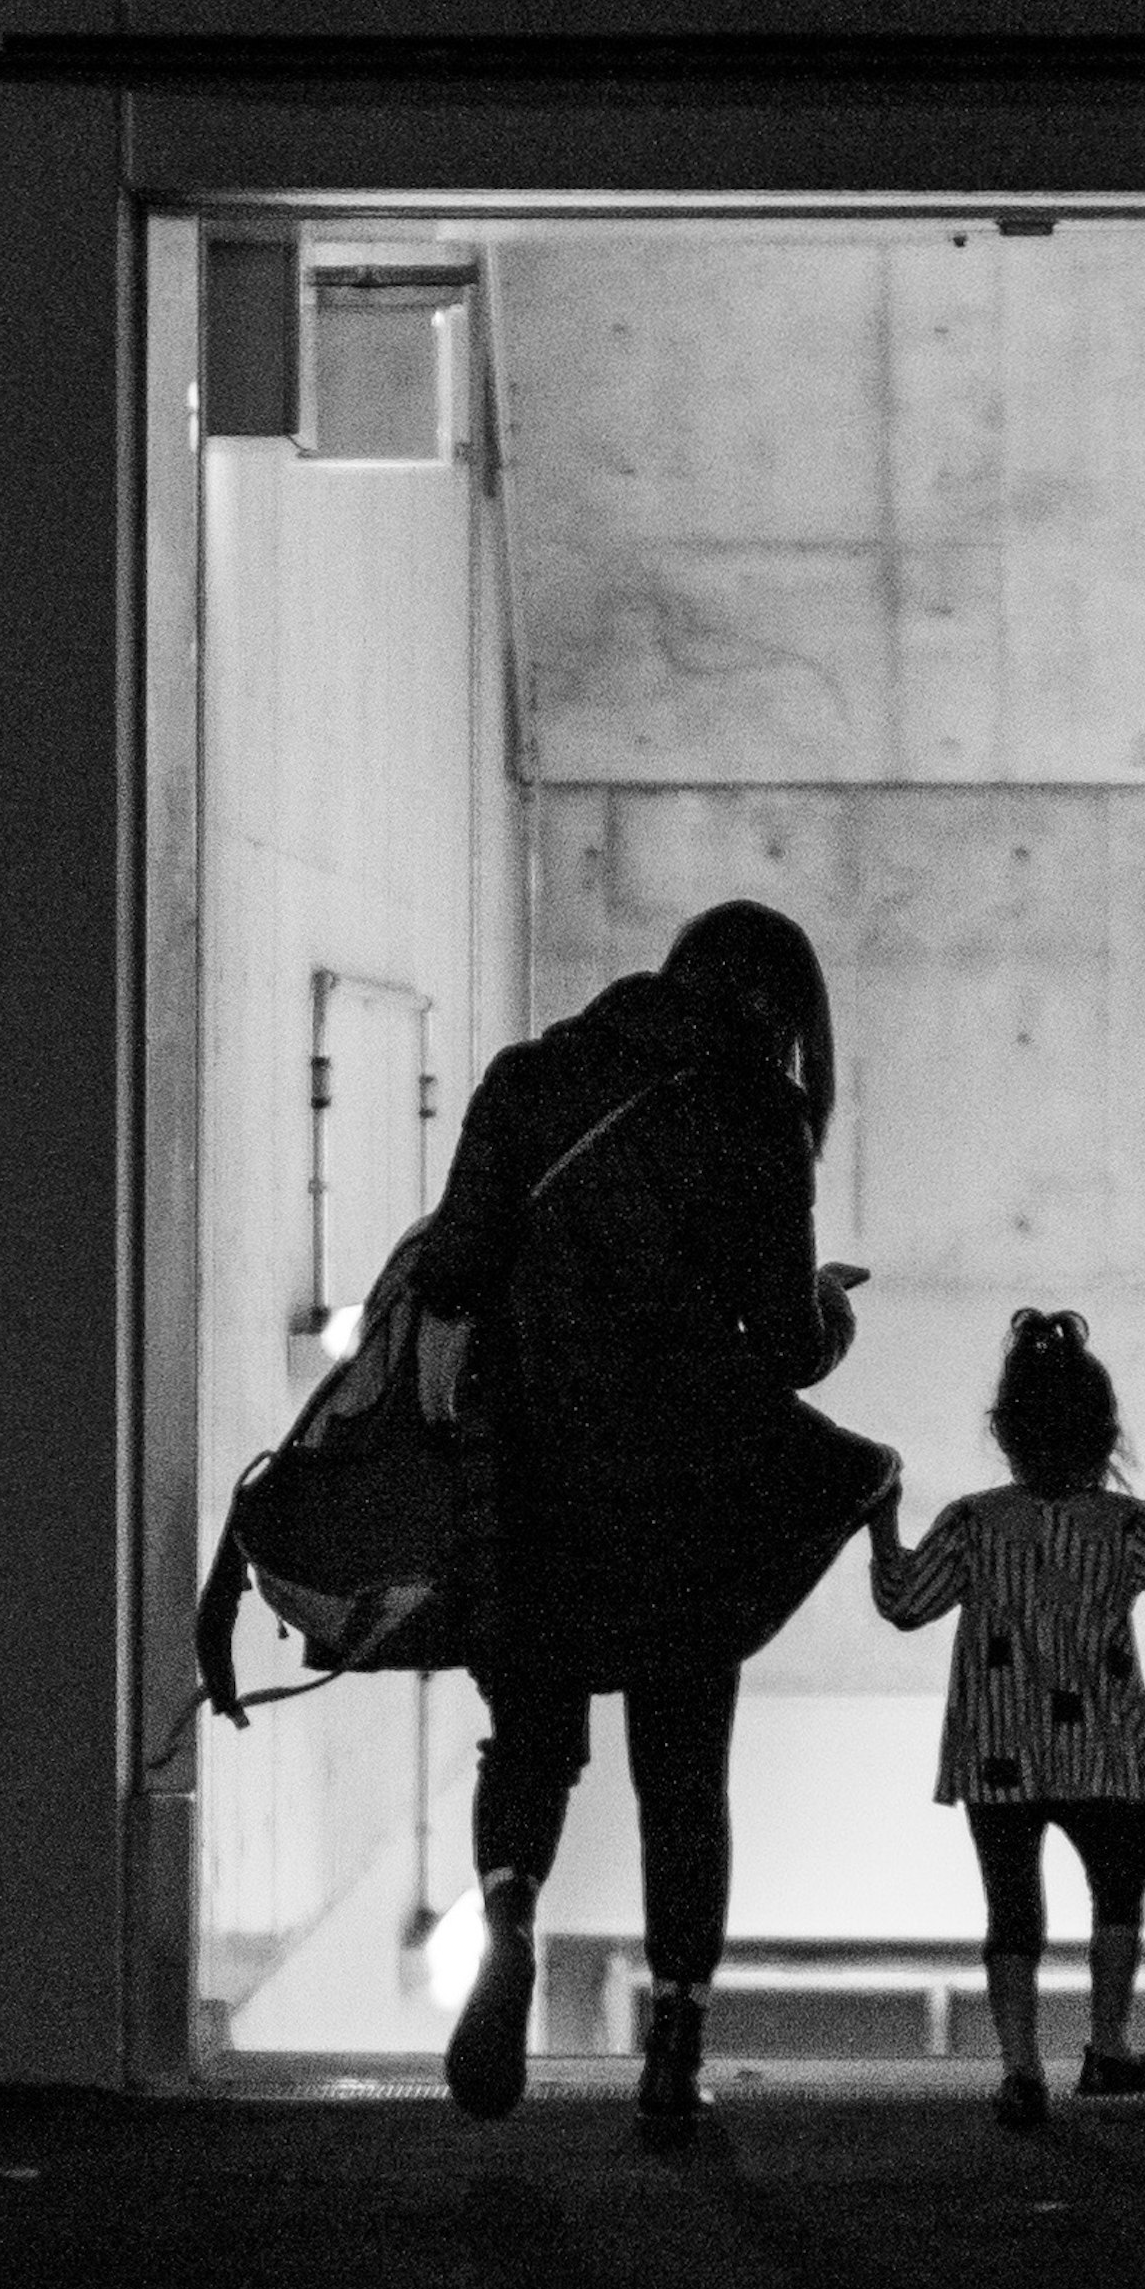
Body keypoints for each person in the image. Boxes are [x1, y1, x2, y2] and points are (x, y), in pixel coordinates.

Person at [414, 900, 891, 2141]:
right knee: (683, 1778)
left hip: (527, 1479)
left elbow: (453, 1273)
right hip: (683, 1493)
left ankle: (509, 1916)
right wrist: (831, 1309)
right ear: (776, 1012)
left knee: (528, 1743)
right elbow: (784, 1347)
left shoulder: (528, 1080)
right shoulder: (756, 1112)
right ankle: (673, 2052)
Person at [867, 1308, 1145, 2123]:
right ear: (1106, 1434)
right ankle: (1106, 2050)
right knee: (1117, 1893)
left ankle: (1020, 2071)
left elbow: (905, 1600)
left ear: (1004, 1431)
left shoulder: (974, 1524)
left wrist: (880, 1518)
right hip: (1105, 1753)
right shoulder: (1126, 1527)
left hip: (995, 1752)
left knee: (1011, 1910)